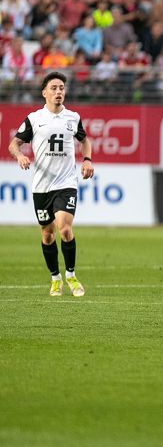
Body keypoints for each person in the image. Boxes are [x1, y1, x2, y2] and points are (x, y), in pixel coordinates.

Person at [8, 72, 94, 297]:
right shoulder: (34, 119)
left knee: (65, 228)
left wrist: (87, 160)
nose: (59, 92)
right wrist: (19, 156)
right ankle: (55, 278)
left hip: (66, 182)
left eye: (62, 88)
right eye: (54, 88)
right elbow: (14, 144)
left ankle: (71, 275)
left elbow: (84, 141)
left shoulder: (72, 118)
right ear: (44, 92)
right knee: (47, 235)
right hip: (41, 186)